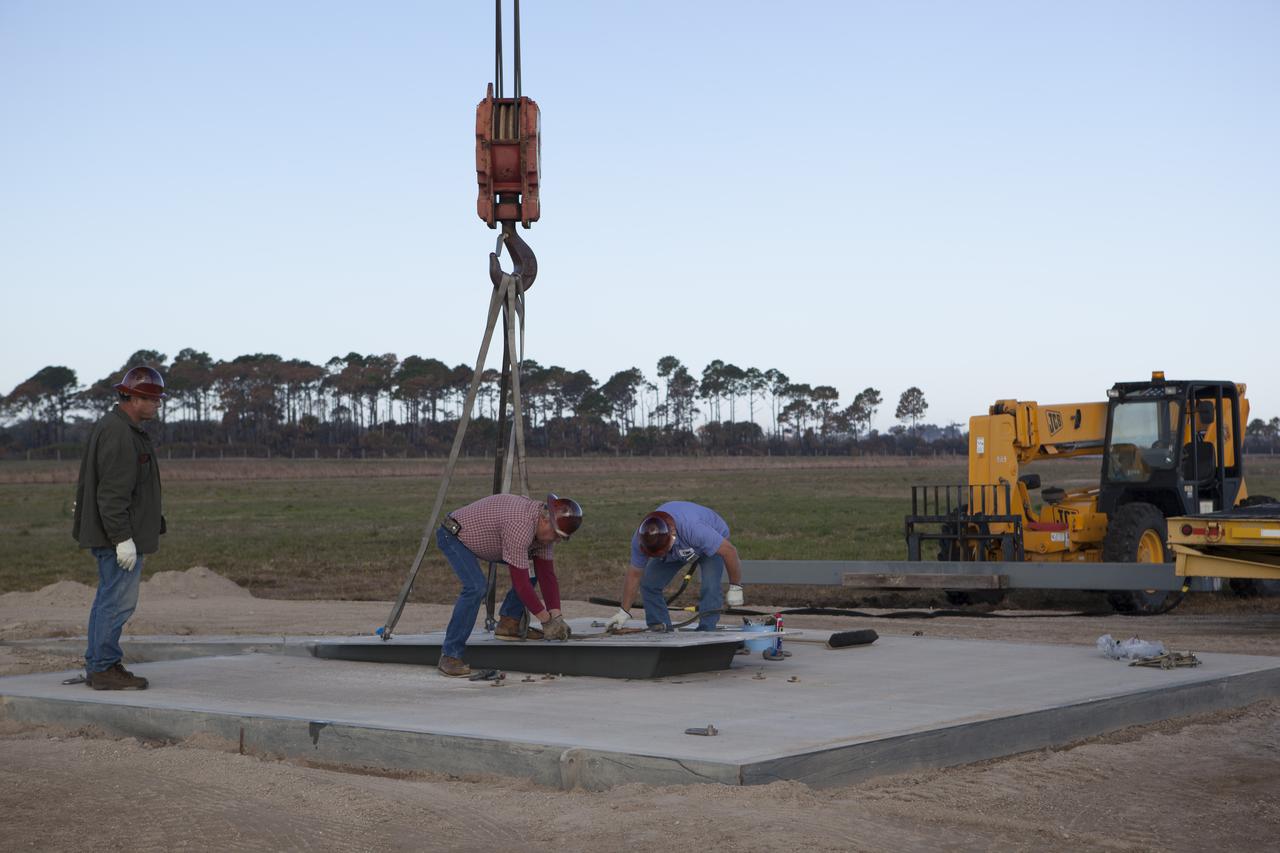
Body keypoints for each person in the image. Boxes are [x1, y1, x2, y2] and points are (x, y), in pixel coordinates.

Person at [72, 366, 167, 690]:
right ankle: (102, 667)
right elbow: (112, 494)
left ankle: (102, 664)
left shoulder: (123, 429)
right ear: (135, 397)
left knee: (109, 600)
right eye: (153, 399)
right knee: (116, 602)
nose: (158, 404)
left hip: (117, 534)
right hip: (117, 539)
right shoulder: (119, 433)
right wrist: (122, 539)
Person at [435, 492, 583, 677]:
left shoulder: (543, 531)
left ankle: (509, 624)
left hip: (488, 542)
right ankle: (450, 656)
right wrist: (546, 621)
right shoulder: (520, 526)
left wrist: (557, 615)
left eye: (561, 538)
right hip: (454, 536)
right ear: (546, 521)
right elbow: (521, 584)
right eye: (556, 535)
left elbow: (547, 575)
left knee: (534, 567)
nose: (556, 541)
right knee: (476, 587)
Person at [607, 501, 745, 633]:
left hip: (712, 540)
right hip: (677, 548)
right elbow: (634, 575)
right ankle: (660, 626)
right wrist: (623, 612)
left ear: (671, 538)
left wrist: (736, 586)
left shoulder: (694, 529)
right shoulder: (641, 540)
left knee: (710, 586)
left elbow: (730, 552)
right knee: (649, 583)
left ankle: (707, 629)